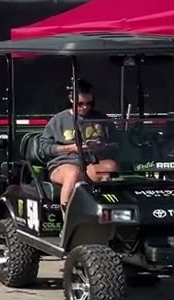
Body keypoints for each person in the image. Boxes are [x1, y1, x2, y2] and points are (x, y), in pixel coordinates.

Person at [37, 80, 117, 208]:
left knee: (109, 167)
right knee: (73, 173)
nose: (84, 107)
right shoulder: (58, 120)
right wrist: (72, 148)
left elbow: (116, 143)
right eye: (80, 103)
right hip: (63, 164)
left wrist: (102, 147)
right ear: (71, 99)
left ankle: (106, 211)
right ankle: (67, 216)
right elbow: (44, 148)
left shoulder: (102, 119)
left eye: (88, 103)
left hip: (92, 162)